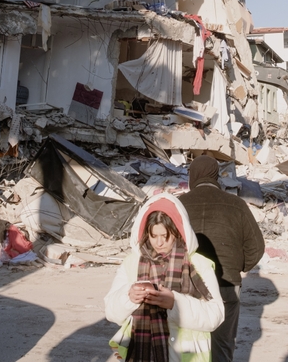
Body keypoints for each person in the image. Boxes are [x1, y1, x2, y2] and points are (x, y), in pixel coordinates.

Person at [105, 193, 224, 362]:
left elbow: (215, 316)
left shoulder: (198, 264)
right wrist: (129, 297)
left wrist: (175, 303)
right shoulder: (132, 263)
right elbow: (111, 312)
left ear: (177, 231)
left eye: (165, 236)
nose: (159, 243)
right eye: (154, 236)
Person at [178, 155, 265, 362]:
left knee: (187, 346)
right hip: (226, 284)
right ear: (216, 177)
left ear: (193, 176)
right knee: (222, 345)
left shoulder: (179, 205)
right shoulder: (237, 205)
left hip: (187, 284)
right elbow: (257, 247)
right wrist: (238, 267)